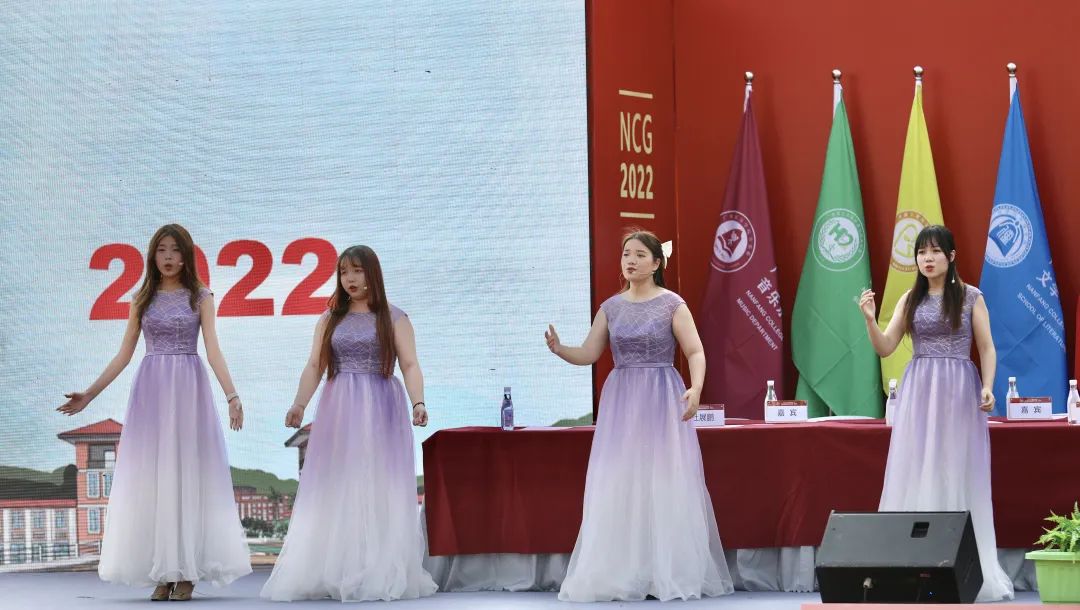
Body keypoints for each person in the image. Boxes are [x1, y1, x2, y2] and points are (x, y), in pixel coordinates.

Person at [58, 224, 251, 601]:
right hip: (151, 391)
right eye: (162, 249)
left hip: (188, 388)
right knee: (154, 478)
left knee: (186, 475)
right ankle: (164, 571)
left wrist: (232, 395)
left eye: (175, 250)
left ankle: (187, 571)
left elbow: (213, 349)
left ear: (186, 255)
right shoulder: (141, 298)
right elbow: (124, 353)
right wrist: (89, 395)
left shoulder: (201, 296)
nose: (168, 257)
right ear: (152, 255)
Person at [546, 230, 734, 602]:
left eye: (639, 255)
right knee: (620, 480)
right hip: (622, 401)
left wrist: (696, 388)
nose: (630, 261)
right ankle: (625, 571)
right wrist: (560, 349)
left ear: (656, 263)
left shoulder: (672, 304)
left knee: (663, 478)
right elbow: (588, 353)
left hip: (661, 396)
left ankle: (664, 572)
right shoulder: (610, 308)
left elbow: (695, 351)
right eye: (626, 254)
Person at [260, 245, 436, 602]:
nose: (350, 279)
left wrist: (418, 401)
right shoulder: (330, 318)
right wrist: (299, 404)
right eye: (343, 272)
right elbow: (315, 365)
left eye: (357, 271)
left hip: (382, 406)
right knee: (339, 482)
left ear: (373, 274)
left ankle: (375, 568)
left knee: (377, 482)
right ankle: (338, 568)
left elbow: (410, 364)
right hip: (340, 407)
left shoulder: (394, 317)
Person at [859, 224, 1014, 602]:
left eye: (935, 252)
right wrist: (869, 319)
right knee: (917, 463)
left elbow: (987, 347)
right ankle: (911, 567)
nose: (927, 259)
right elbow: (885, 347)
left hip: (959, 387)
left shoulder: (971, 296)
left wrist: (988, 386)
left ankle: (961, 567)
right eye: (921, 252)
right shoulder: (909, 299)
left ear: (951, 256)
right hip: (920, 388)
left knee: (955, 466)